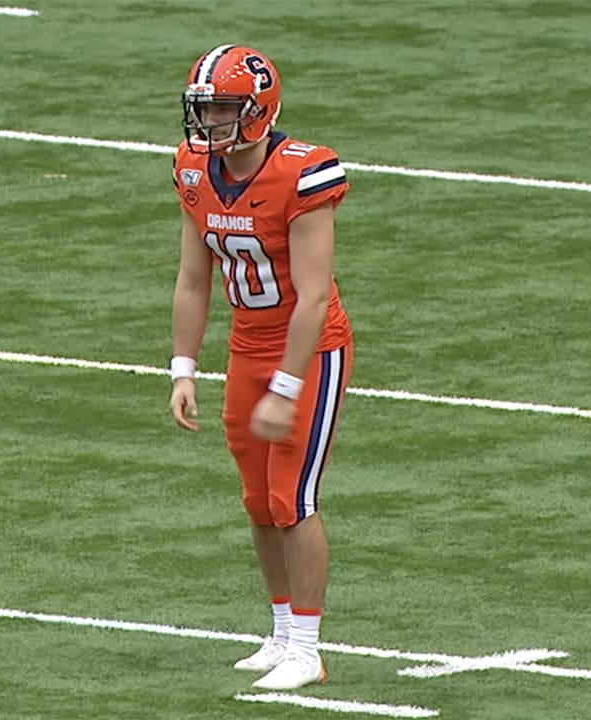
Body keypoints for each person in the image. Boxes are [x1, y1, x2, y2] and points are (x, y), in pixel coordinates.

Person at [167, 44, 353, 691]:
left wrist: (287, 384)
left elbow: (315, 294)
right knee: (257, 499)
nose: (209, 124)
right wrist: (183, 366)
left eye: (222, 109)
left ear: (257, 110)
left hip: (309, 348)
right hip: (247, 347)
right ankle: (279, 632)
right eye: (204, 110)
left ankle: (308, 646)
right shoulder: (195, 168)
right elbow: (194, 279)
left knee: (292, 498)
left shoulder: (303, 173)